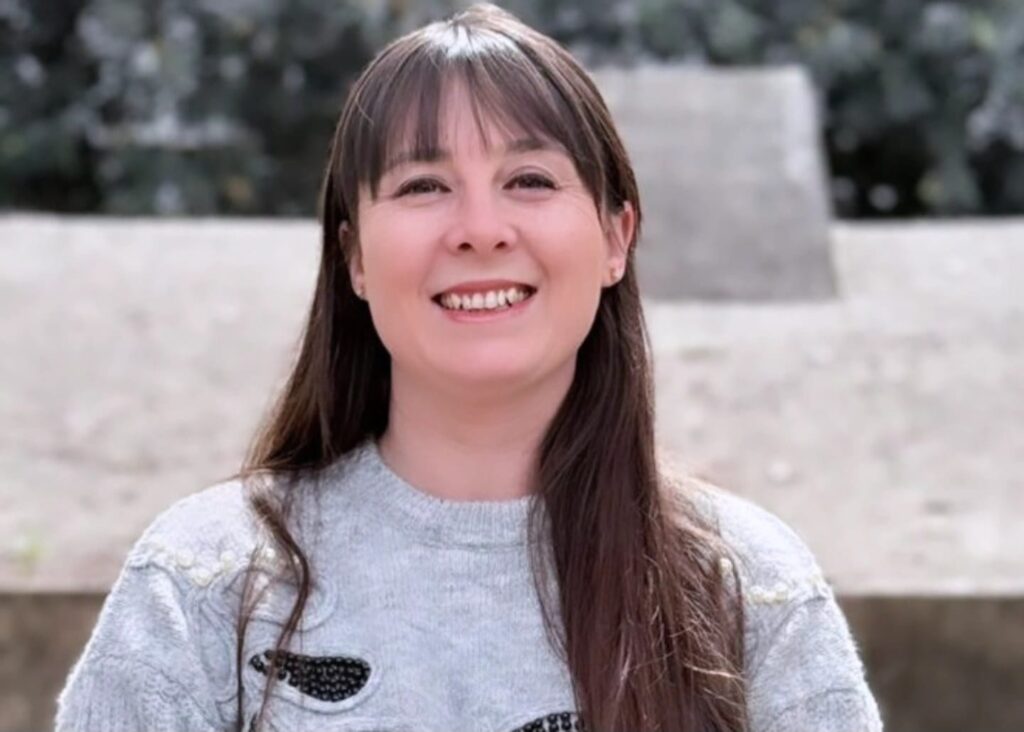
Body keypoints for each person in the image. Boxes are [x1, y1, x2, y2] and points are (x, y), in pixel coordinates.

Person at [54, 4, 882, 731]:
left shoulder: (747, 590)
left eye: (530, 179)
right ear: (355, 258)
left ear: (616, 237)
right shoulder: (204, 582)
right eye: (423, 186)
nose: (480, 229)